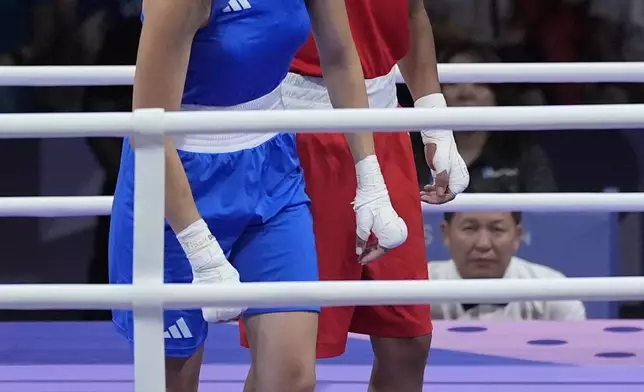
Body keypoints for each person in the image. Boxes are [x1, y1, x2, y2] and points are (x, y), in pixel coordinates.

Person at [108, 1, 408, 392]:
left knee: (292, 379)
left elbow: (339, 56)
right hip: (176, 183)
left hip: (272, 171)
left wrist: (371, 181)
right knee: (172, 380)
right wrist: (201, 249)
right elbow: (148, 129)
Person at [241, 1, 469, 391]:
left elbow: (411, 12)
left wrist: (434, 120)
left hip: (385, 127)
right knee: (290, 358)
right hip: (302, 136)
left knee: (408, 341)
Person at [431, 211, 586, 320]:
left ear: (517, 235)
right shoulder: (415, 289)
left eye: (497, 229)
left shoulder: (553, 293)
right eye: (470, 228)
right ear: (446, 234)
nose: (483, 244)